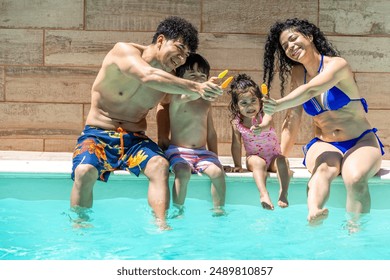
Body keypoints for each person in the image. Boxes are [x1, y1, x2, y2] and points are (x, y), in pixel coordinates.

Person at [70, 16, 223, 229]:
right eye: (179, 48)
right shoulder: (124, 51)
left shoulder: (170, 78)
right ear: (161, 40)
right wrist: (196, 87)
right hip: (98, 134)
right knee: (84, 171)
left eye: (186, 54)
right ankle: (80, 226)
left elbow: (170, 106)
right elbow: (147, 75)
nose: (181, 58)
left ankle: (161, 225)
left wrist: (164, 137)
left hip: (135, 140)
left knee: (160, 166)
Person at [262, 18, 385, 224]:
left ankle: (355, 230)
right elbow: (293, 117)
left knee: (354, 179)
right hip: (325, 143)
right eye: (285, 46)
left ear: (309, 37)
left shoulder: (337, 65)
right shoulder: (298, 73)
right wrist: (279, 156)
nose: (291, 47)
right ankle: (314, 213)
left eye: (294, 39)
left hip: (360, 141)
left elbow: (310, 90)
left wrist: (277, 104)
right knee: (322, 171)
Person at [157, 53, 226, 217]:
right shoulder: (177, 97)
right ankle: (178, 210)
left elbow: (211, 133)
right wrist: (205, 88)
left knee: (217, 173)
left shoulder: (205, 102)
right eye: (192, 76)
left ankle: (218, 210)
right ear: (181, 79)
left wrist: (215, 157)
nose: (199, 80)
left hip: (202, 153)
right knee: (182, 172)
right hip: (179, 151)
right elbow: (190, 94)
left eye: (203, 76)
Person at [226, 73, 290, 210]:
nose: (250, 106)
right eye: (244, 103)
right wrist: (238, 165)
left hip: (273, 157)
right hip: (253, 158)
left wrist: (261, 127)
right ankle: (263, 194)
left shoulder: (265, 113)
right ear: (237, 106)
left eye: (253, 101)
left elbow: (268, 122)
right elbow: (236, 144)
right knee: (258, 162)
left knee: (282, 160)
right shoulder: (236, 123)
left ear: (260, 101)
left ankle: (283, 193)